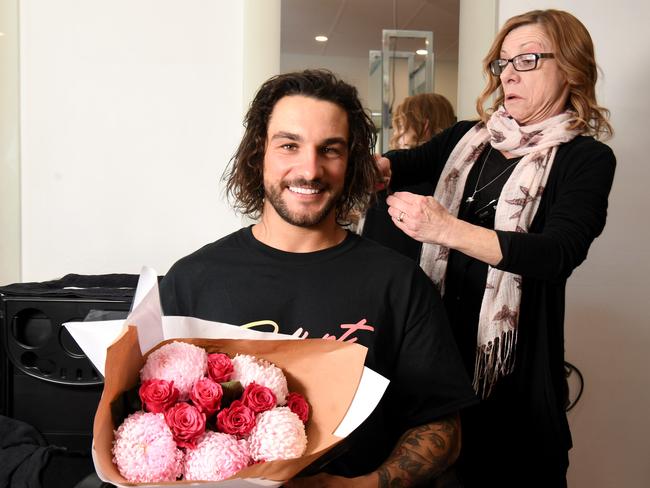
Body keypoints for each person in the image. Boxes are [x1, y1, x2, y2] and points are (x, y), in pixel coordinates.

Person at [159, 69, 477, 487]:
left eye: (330, 150)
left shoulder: (397, 282)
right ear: (260, 154)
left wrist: (359, 487)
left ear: (351, 162)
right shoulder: (192, 279)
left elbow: (441, 430)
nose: (310, 170)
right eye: (289, 145)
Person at [376, 9, 616, 488]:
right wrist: (330, 158)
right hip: (434, 367)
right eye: (502, 63)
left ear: (570, 67)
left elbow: (556, 254)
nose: (507, 73)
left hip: (512, 381)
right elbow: (390, 168)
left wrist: (446, 229)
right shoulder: (466, 139)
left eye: (526, 59)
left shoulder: (585, 159)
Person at [360, 93, 456, 258]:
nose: (396, 134)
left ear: (424, 126)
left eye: (400, 126)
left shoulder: (399, 174)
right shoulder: (452, 176)